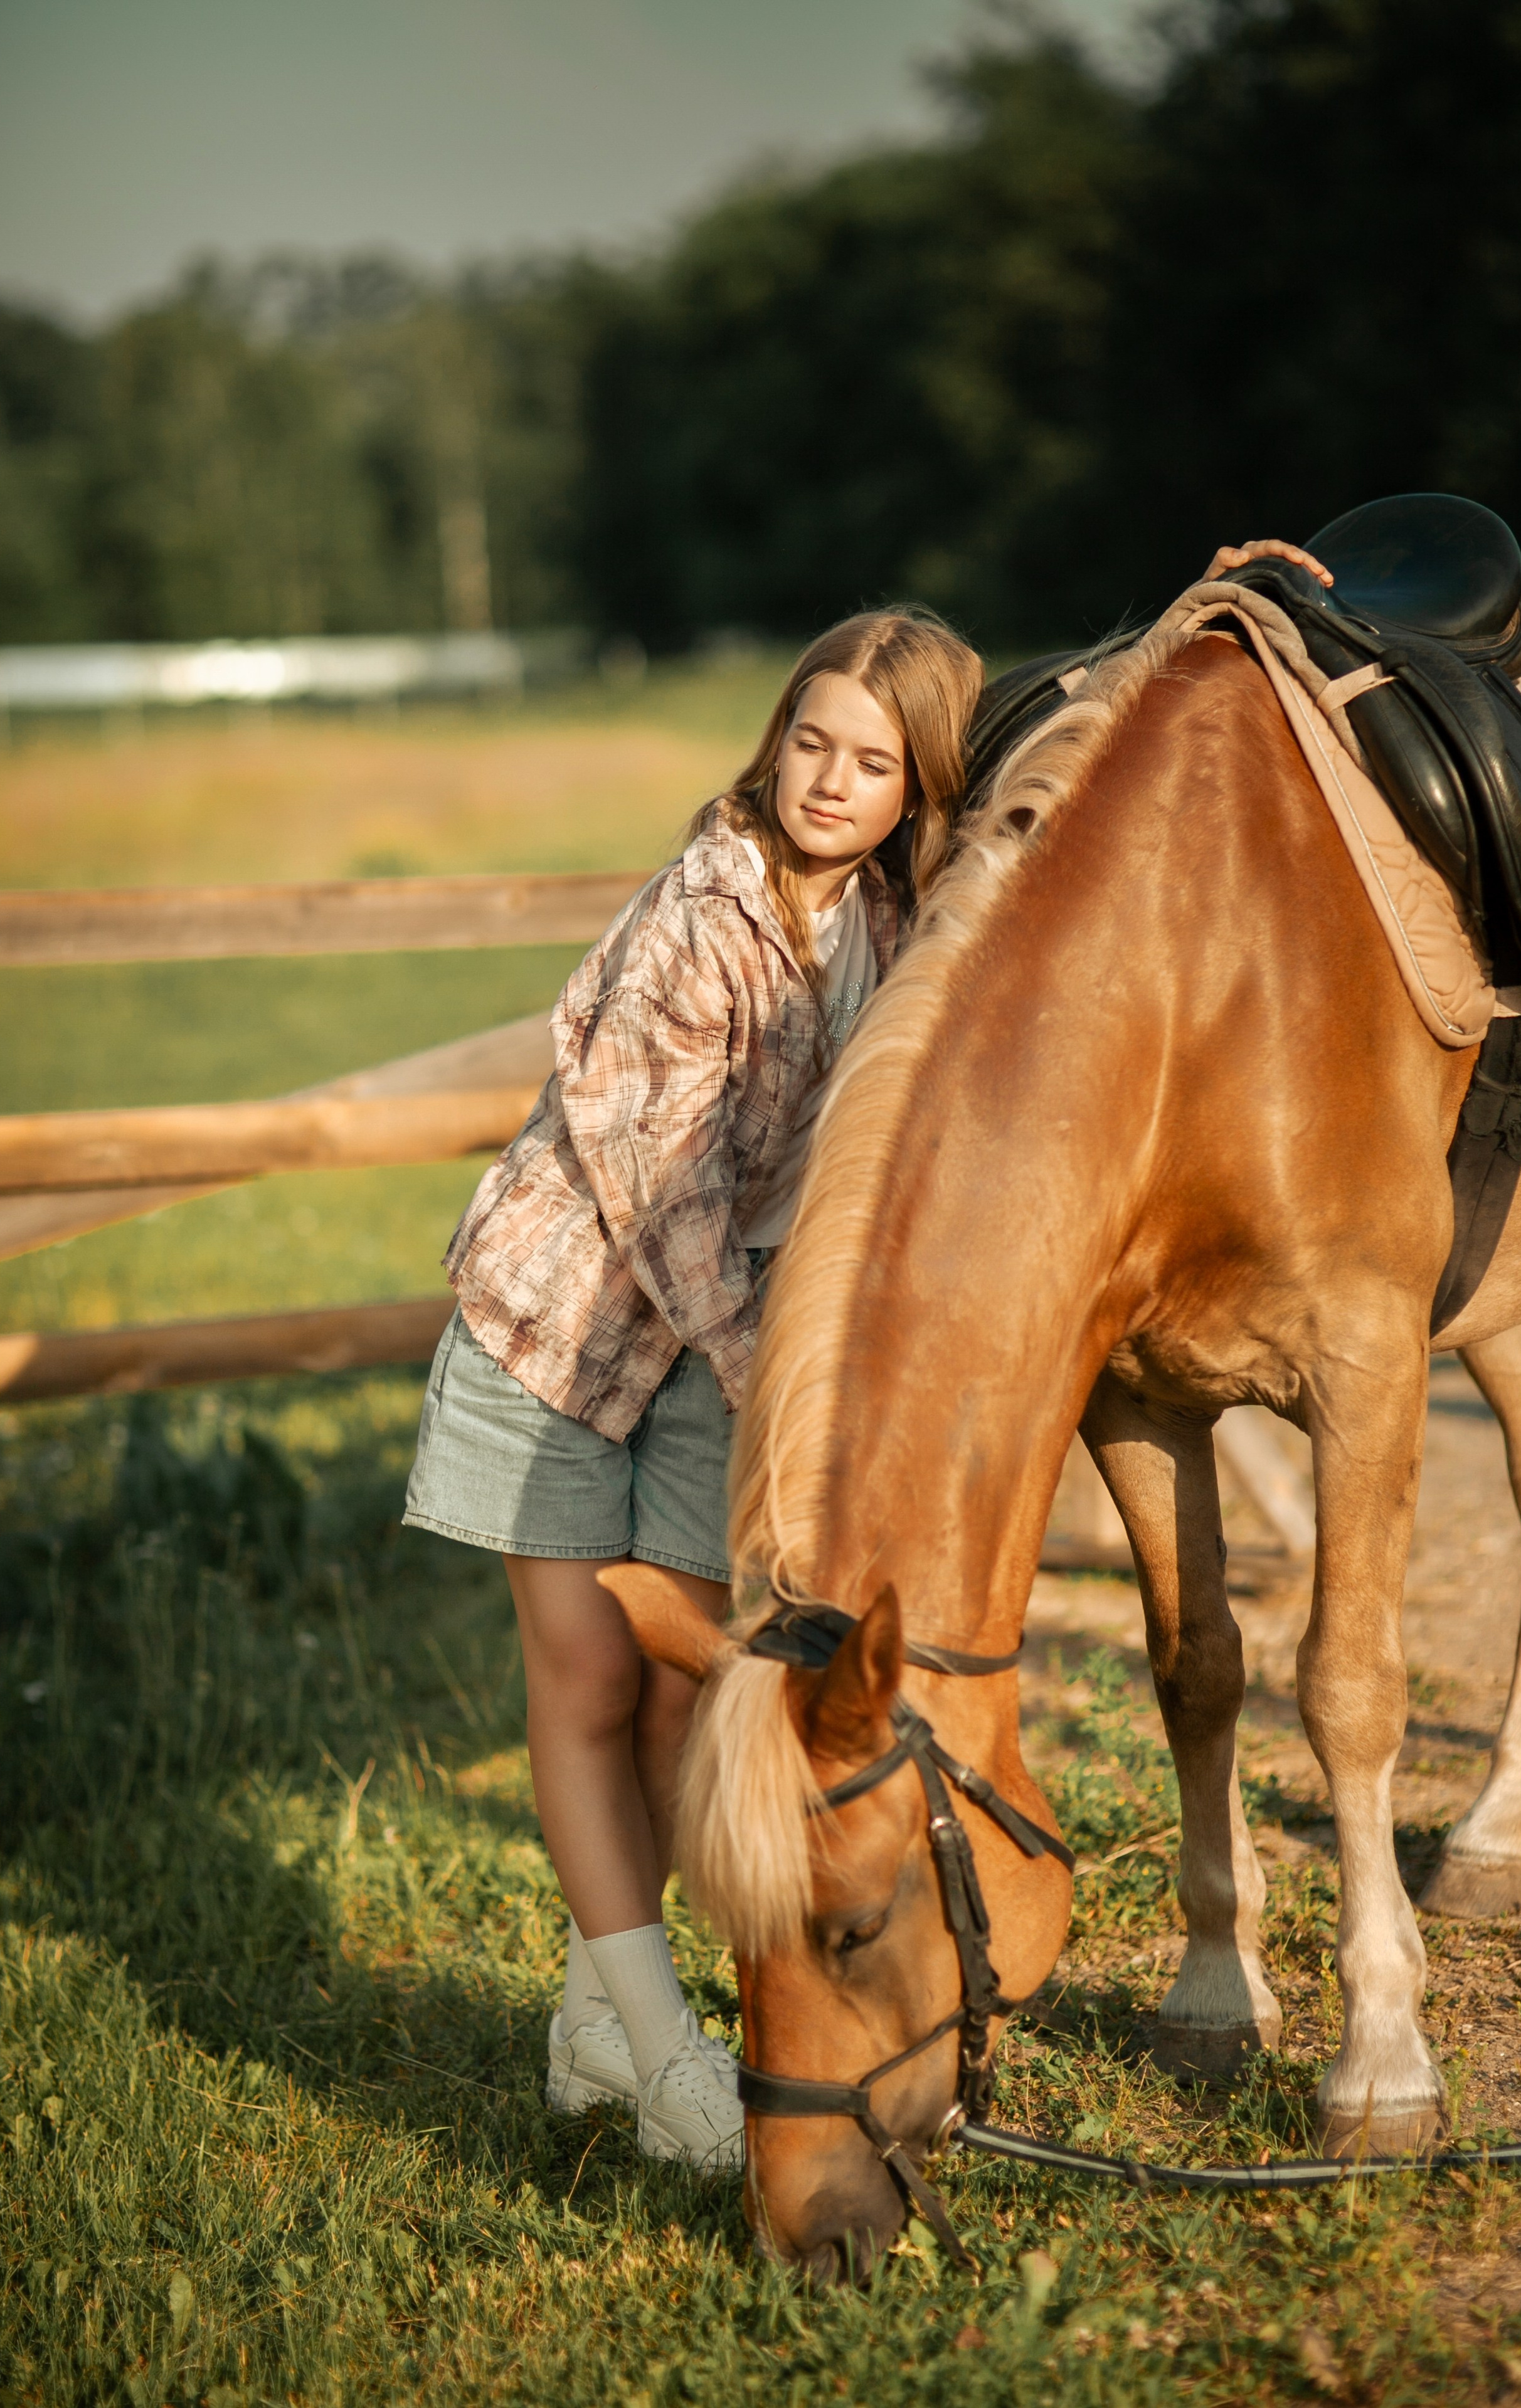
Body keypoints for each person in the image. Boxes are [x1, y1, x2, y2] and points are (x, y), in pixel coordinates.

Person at [403, 608, 984, 2170]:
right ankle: (663, 2050)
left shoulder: (884, 911)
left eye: (871, 762)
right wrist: (775, 1389)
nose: (826, 781)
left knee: (687, 1685)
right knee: (592, 1679)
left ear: (913, 787)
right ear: (773, 736)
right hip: (570, 1340)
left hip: (712, 1354)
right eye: (809, 739)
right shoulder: (697, 915)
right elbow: (663, 1204)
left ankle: (601, 2014)